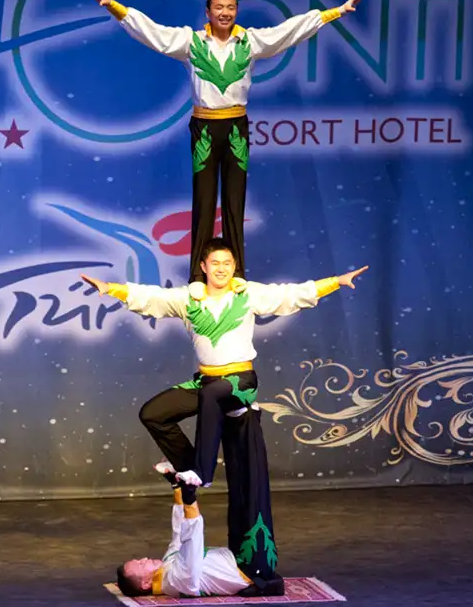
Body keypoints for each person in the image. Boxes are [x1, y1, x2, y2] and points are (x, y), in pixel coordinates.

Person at [81, 238, 367, 589]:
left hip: (240, 381)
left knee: (213, 394)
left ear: (234, 267)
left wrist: (336, 281)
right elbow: (151, 297)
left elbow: (290, 295)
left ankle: (202, 473)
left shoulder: (247, 295)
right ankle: (188, 466)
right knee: (153, 412)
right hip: (206, 380)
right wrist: (110, 288)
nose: (221, 269)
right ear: (203, 266)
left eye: (227, 263)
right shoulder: (188, 299)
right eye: (215, 263)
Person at [82, 0, 364, 286]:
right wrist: (114, 7)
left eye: (230, 7)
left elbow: (289, 31)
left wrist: (335, 12)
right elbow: (152, 32)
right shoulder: (191, 42)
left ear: (237, 11)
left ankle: (237, 273)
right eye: (219, 7)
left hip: (235, 128)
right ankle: (196, 276)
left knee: (234, 201)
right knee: (204, 202)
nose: (225, 12)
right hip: (204, 127)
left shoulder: (250, 41)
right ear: (208, 12)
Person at [114, 464, 258, 599]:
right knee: (253, 490)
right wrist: (190, 500)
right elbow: (192, 542)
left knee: (242, 486)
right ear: (146, 583)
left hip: (239, 550)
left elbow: (179, 531)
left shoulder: (167, 566)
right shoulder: (175, 582)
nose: (144, 559)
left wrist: (177, 488)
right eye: (141, 565)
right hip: (250, 565)